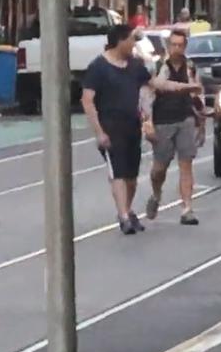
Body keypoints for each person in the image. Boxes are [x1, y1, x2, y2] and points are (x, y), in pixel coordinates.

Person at [81, 24, 201, 235]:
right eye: (131, 41)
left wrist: (186, 88)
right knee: (117, 172)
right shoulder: (98, 67)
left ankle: (128, 209)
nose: (134, 45)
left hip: (131, 126)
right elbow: (87, 101)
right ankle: (124, 216)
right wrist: (99, 131)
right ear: (120, 41)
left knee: (131, 175)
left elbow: (157, 84)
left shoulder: (134, 66)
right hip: (110, 127)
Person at [146, 30, 204, 226]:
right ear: (168, 46)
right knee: (159, 169)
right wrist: (148, 123)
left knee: (186, 163)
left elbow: (198, 96)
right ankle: (156, 194)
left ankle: (187, 208)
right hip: (163, 121)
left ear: (185, 46)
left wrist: (201, 124)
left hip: (185, 118)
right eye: (174, 45)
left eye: (181, 45)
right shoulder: (159, 66)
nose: (177, 49)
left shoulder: (190, 67)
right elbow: (157, 89)